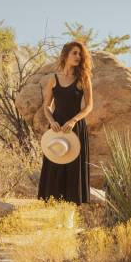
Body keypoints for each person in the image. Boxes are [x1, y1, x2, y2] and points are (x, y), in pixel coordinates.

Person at [37, 41, 93, 205]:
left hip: (74, 128)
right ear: (65, 55)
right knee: (55, 163)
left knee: (73, 169)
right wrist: (51, 120)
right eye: (74, 53)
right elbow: (46, 106)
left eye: (80, 54)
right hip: (56, 127)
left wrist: (74, 120)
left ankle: (70, 212)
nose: (78, 56)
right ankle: (52, 207)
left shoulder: (83, 78)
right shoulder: (53, 79)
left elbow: (89, 106)